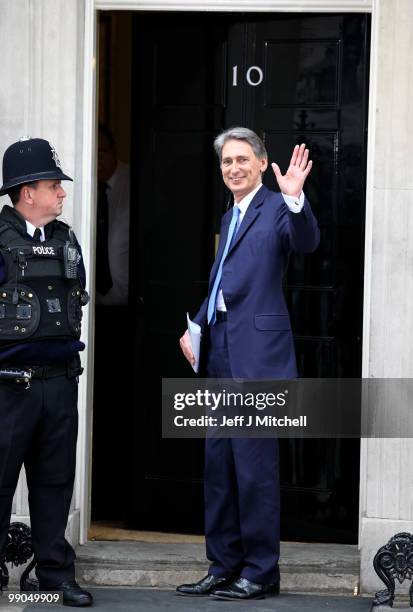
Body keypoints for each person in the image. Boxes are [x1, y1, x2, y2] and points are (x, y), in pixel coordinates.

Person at [177, 127, 319, 601]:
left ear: (261, 163)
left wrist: (295, 199)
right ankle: (224, 565)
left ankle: (260, 571)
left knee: (254, 470)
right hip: (219, 355)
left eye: (242, 160)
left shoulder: (277, 207)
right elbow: (222, 283)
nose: (233, 168)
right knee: (219, 467)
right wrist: (196, 325)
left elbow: (305, 242)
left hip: (258, 361)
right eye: (226, 162)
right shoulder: (230, 213)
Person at [0, 137, 93, 607]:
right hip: (8, 388)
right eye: (53, 185)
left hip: (59, 383)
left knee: (55, 482)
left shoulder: (66, 240)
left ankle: (55, 576)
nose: (61, 193)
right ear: (25, 192)